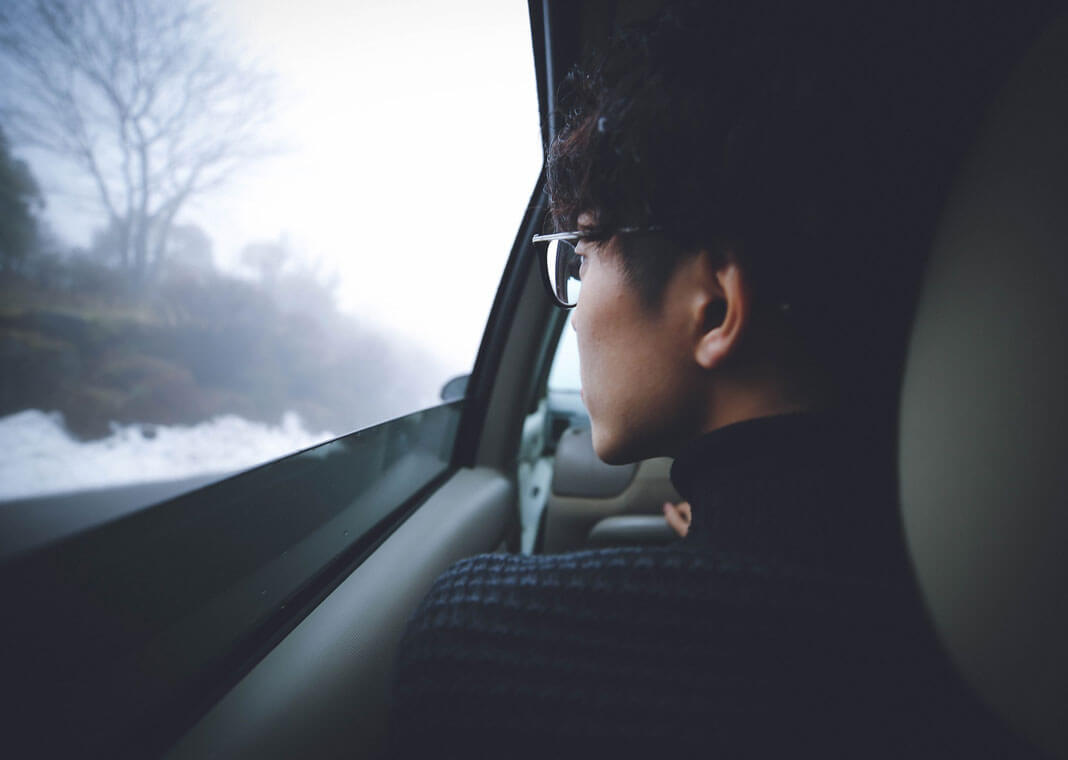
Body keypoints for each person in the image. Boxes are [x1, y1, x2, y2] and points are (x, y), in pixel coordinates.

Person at [388, 4, 1050, 757]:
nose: (572, 312)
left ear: (714, 309)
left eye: (585, 247)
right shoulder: (986, 626)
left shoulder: (478, 650)